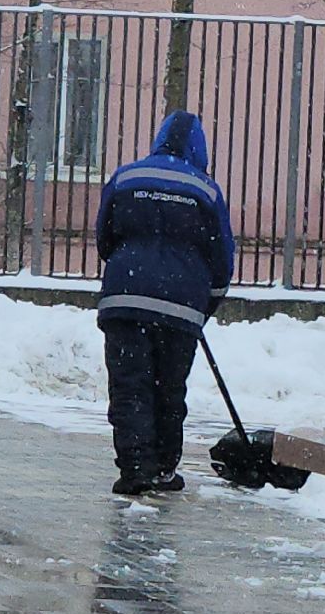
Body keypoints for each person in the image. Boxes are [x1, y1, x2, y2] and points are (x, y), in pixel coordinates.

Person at [94, 110, 235, 496]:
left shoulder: (126, 177)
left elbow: (105, 238)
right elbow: (222, 257)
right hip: (181, 307)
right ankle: (163, 468)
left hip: (125, 299)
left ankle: (135, 466)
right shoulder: (206, 190)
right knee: (169, 388)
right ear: (199, 148)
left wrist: (130, 269)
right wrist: (208, 303)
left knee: (129, 386)